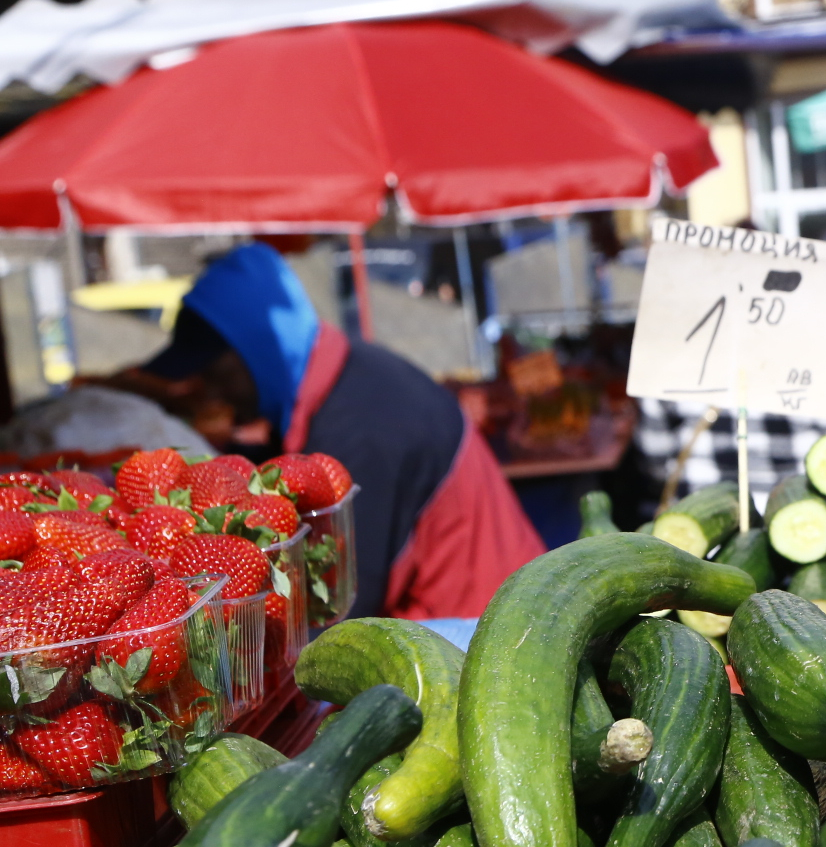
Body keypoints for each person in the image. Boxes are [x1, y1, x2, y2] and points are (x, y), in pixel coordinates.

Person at [131, 243, 545, 619]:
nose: (214, 393)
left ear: (257, 350)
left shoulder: (360, 429)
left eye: (217, 374)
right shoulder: (351, 378)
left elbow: (339, 609)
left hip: (492, 640)